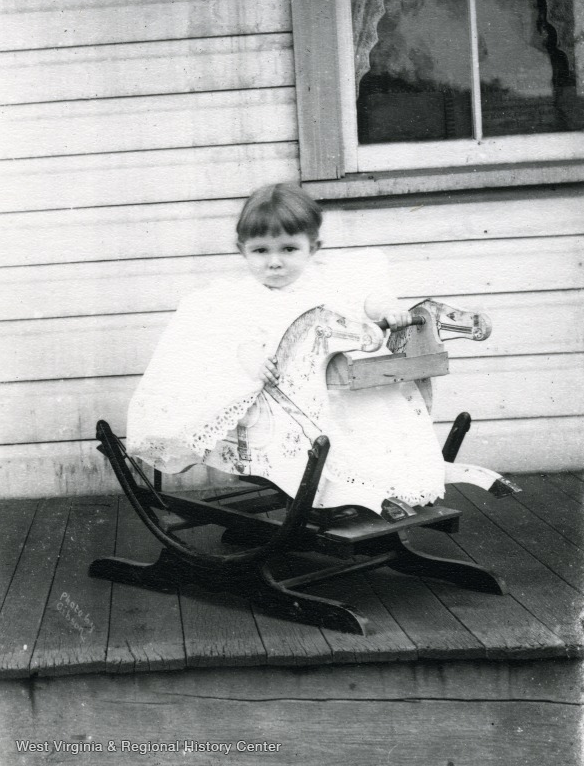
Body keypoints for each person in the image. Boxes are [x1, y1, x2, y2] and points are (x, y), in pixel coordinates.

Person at [127, 182, 447, 516]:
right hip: (289, 398)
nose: (275, 262)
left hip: (339, 388)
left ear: (313, 247)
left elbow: (368, 298)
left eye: (289, 249)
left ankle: (377, 488)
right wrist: (255, 362)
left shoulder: (329, 280)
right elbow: (239, 338)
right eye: (260, 251)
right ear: (242, 250)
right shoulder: (242, 297)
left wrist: (388, 310)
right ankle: (336, 495)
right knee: (330, 435)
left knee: (378, 425)